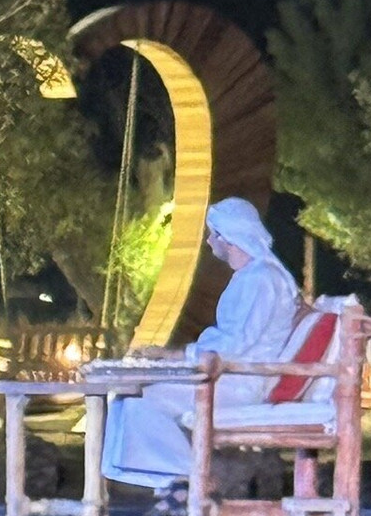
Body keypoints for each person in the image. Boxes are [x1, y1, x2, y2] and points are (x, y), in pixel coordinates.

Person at [102, 196, 300, 514]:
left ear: (229, 237)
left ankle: (189, 480)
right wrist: (175, 358)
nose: (209, 241)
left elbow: (236, 344)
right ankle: (179, 484)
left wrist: (175, 356)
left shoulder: (262, 279)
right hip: (226, 373)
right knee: (129, 395)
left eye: (213, 234)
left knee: (141, 396)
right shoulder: (251, 277)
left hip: (240, 382)